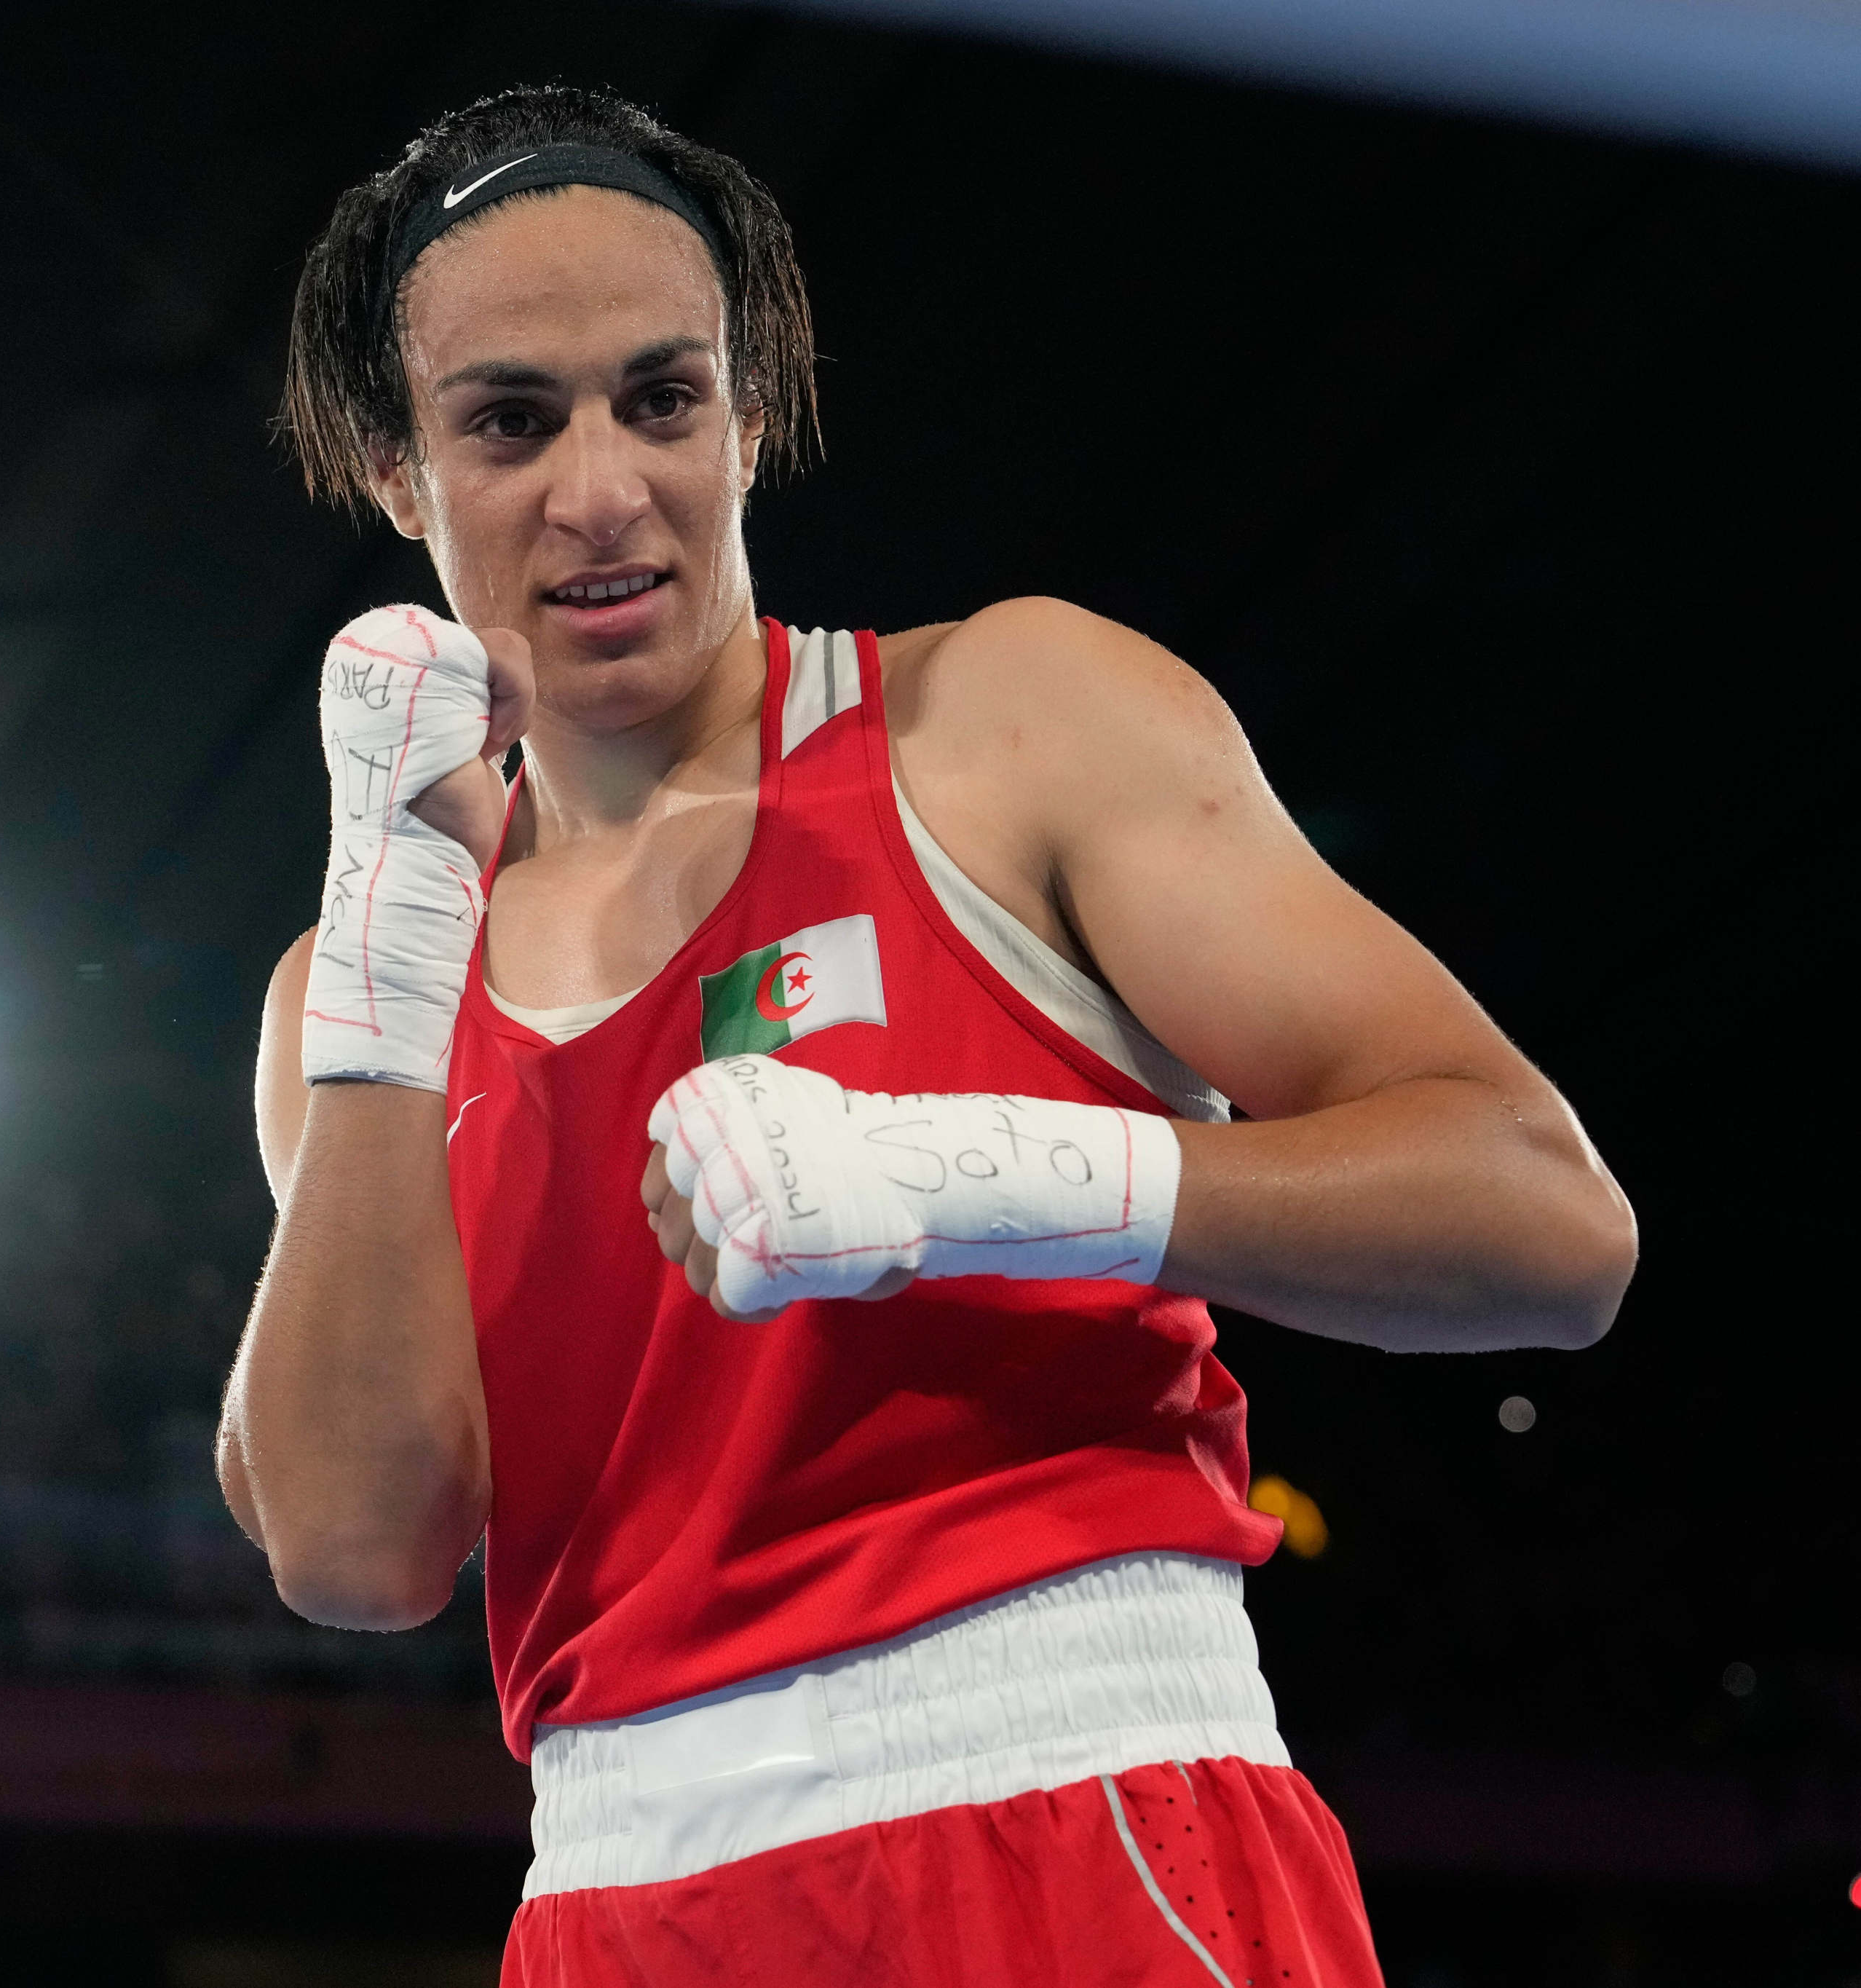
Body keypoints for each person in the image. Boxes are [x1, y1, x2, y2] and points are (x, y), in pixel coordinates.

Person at [218, 84, 1635, 1987]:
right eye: (510, 420)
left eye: (665, 397)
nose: (605, 491)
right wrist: (395, 942)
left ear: (747, 410)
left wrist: (997, 1171)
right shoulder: (347, 990)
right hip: (618, 1895)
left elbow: (1547, 1224)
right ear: (398, 471)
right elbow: (354, 1548)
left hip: (1076, 1818)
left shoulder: (1006, 724)